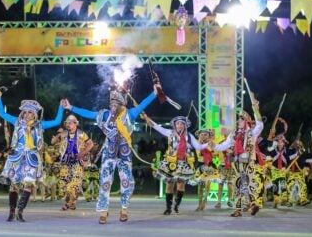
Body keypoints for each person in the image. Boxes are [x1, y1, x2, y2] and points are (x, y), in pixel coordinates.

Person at [62, 81, 160, 224]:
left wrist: (155, 93)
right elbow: (88, 113)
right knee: (105, 182)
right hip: (109, 153)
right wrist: (71, 107)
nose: (113, 106)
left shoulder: (130, 114)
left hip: (125, 154)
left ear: (122, 105)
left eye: (116, 103)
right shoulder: (104, 115)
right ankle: (103, 211)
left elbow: (143, 104)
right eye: (112, 103)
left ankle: (124, 209)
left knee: (126, 182)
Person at [0, 90, 64, 222]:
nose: (27, 115)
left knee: (28, 185)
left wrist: (61, 107)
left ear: (35, 114)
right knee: (14, 185)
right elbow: (2, 114)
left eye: (30, 112)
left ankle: (20, 212)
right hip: (17, 155)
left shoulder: (39, 125)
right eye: (25, 112)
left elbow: (57, 121)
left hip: (31, 156)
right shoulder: (16, 122)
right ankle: (11, 211)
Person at [144, 114, 209, 214]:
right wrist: (146, 118)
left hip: (184, 162)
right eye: (177, 123)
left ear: (184, 126)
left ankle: (177, 205)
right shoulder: (170, 133)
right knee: (169, 184)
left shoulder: (189, 137)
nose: (179, 125)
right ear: (175, 125)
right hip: (171, 162)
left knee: (180, 184)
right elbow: (156, 126)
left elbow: (198, 147)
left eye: (181, 124)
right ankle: (168, 208)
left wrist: (209, 144)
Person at [211, 100, 264, 217]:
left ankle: (252, 204)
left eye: (241, 119)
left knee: (249, 184)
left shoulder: (251, 133)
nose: (238, 121)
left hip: (248, 161)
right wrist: (213, 145)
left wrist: (256, 110)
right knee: (237, 184)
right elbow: (224, 145)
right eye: (238, 119)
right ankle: (238, 209)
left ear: (246, 122)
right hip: (237, 162)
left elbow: (260, 125)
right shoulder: (233, 134)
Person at [51, 114, 94, 211]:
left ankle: (69, 203)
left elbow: (91, 144)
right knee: (63, 185)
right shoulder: (63, 134)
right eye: (66, 123)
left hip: (77, 161)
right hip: (65, 162)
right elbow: (53, 142)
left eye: (70, 123)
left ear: (75, 124)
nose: (68, 125)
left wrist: (83, 153)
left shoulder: (82, 134)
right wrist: (59, 134)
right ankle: (71, 202)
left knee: (74, 183)